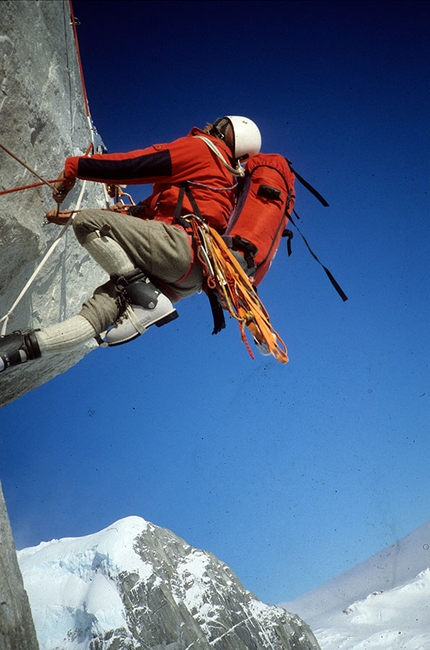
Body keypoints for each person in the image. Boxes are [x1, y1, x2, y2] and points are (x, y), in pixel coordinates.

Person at [0, 116, 262, 373]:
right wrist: (70, 217)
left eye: (220, 124)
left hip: (177, 247)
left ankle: (145, 299)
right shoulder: (225, 181)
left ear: (228, 133)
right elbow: (143, 216)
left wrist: (74, 168)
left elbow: (139, 164)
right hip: (189, 275)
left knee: (88, 222)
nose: (210, 124)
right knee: (100, 312)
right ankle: (14, 352)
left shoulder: (202, 149)